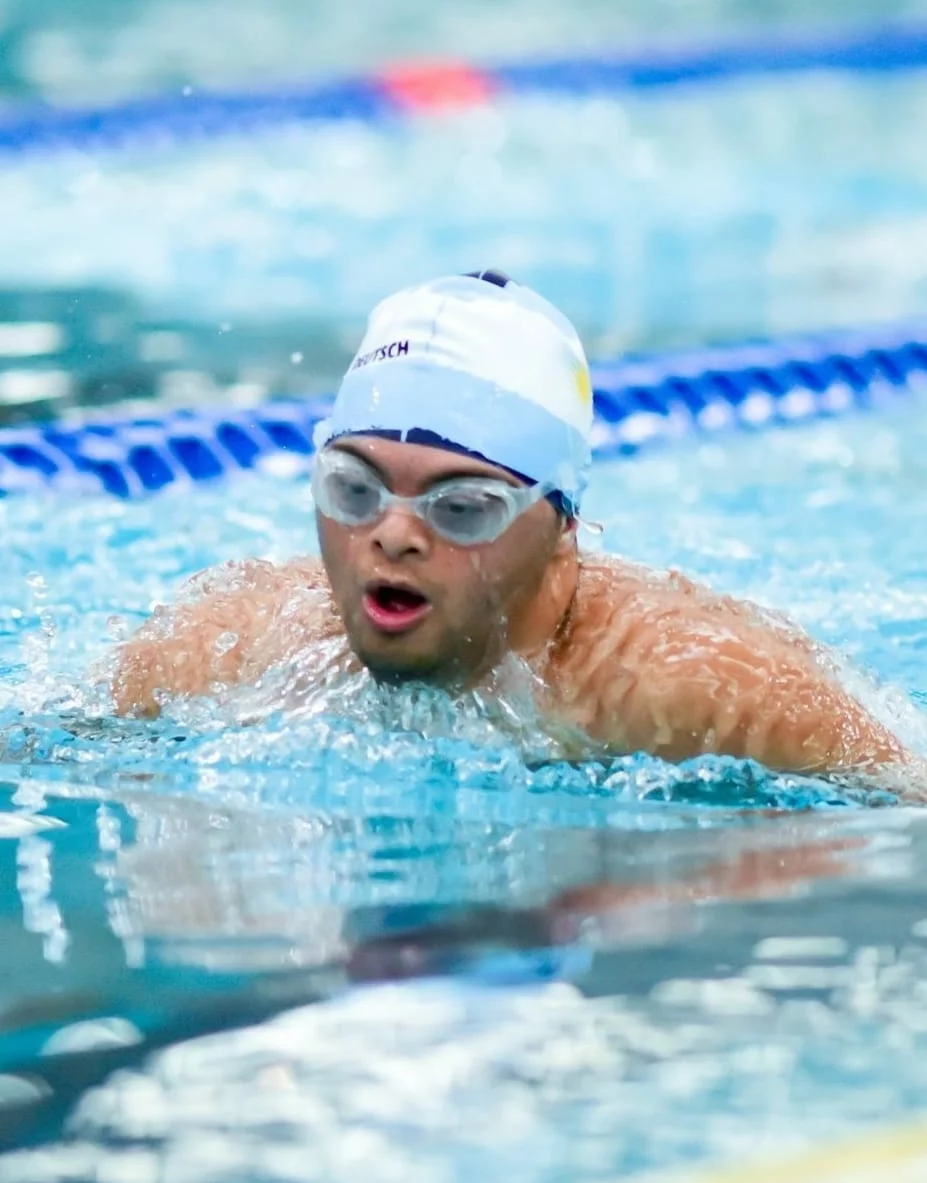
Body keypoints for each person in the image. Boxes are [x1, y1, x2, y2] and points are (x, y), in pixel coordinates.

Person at [110, 270, 916, 782]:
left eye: (458, 505)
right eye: (353, 490)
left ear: (560, 523)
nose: (391, 534)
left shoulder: (692, 687)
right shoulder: (216, 648)